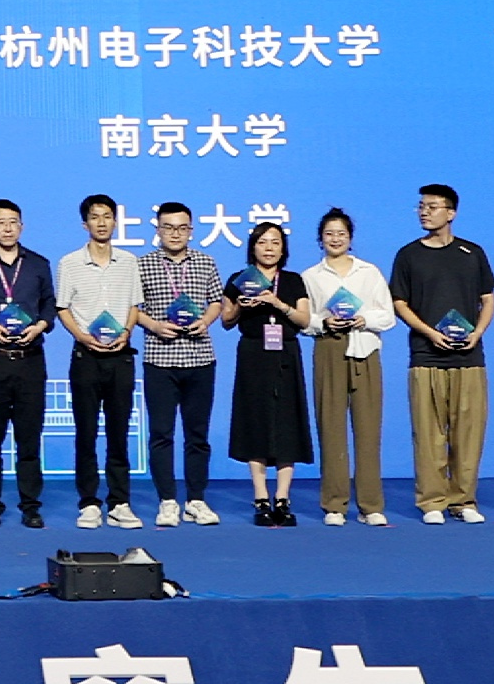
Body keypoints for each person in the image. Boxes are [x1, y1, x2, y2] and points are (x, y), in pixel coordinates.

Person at [392, 183, 494, 526]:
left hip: (469, 358)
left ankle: (463, 500)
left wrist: (478, 333)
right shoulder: (409, 255)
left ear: (451, 213)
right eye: (421, 206)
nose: (424, 212)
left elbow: (488, 298)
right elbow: (399, 303)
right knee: (428, 435)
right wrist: (429, 333)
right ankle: (432, 501)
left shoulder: (472, 253)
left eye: (433, 206)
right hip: (426, 357)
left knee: (468, 433)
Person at [0, 200, 57, 527]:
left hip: (31, 360)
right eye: (0, 222)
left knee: (29, 438)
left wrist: (39, 327)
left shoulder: (39, 265)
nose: (7, 227)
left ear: (22, 226)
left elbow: (49, 306)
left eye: (13, 221)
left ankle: (31, 506)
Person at [301, 209, 396, 525]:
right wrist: (323, 322)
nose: (335, 239)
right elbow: (304, 320)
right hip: (329, 348)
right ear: (320, 239)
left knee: (368, 430)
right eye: (329, 234)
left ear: (350, 238)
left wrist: (364, 318)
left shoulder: (369, 272)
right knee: (330, 429)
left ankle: (371, 505)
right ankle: (334, 505)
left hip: (365, 349)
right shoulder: (310, 276)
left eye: (341, 233)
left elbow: (388, 316)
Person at [58, 195, 145, 530]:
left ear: (115, 222)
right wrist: (82, 336)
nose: (102, 223)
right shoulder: (69, 263)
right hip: (86, 357)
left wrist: (127, 331)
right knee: (86, 432)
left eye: (108, 216)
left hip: (121, 357)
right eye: (95, 217)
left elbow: (134, 305)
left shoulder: (129, 261)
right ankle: (89, 502)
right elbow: (62, 307)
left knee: (119, 433)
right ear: (85, 224)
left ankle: (120, 502)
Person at [135, 201, 223, 527]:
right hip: (160, 360)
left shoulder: (205, 261)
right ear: (158, 230)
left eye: (182, 228)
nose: (175, 234)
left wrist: (206, 321)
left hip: (200, 358)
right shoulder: (143, 264)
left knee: (197, 435)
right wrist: (154, 325)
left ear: (191, 231)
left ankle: (196, 500)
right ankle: (168, 501)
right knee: (161, 434)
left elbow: (216, 301)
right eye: (169, 227)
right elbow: (133, 308)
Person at [221, 216, 312, 522]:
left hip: (285, 353)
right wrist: (240, 307)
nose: (269, 248)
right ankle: (260, 497)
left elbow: (304, 320)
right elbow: (225, 320)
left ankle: (282, 498)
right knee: (255, 423)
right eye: (262, 242)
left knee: (287, 424)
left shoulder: (293, 280)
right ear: (253, 247)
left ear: (283, 248)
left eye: (275, 242)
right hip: (253, 354)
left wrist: (278, 304)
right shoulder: (239, 278)